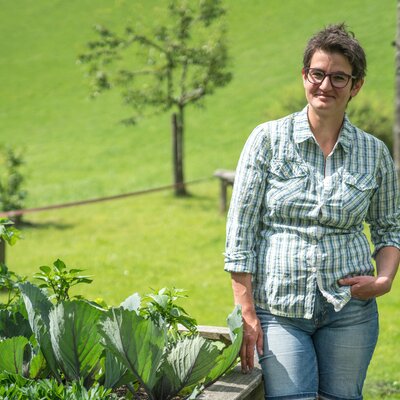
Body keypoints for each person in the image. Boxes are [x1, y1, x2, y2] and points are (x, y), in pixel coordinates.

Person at [224, 23, 400, 400]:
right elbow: (240, 232)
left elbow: (389, 230)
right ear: (304, 75)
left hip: (350, 312)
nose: (326, 85)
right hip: (279, 310)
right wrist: (247, 312)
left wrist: (384, 281)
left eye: (339, 77)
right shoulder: (267, 140)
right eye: (318, 74)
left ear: (356, 86)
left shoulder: (375, 154)